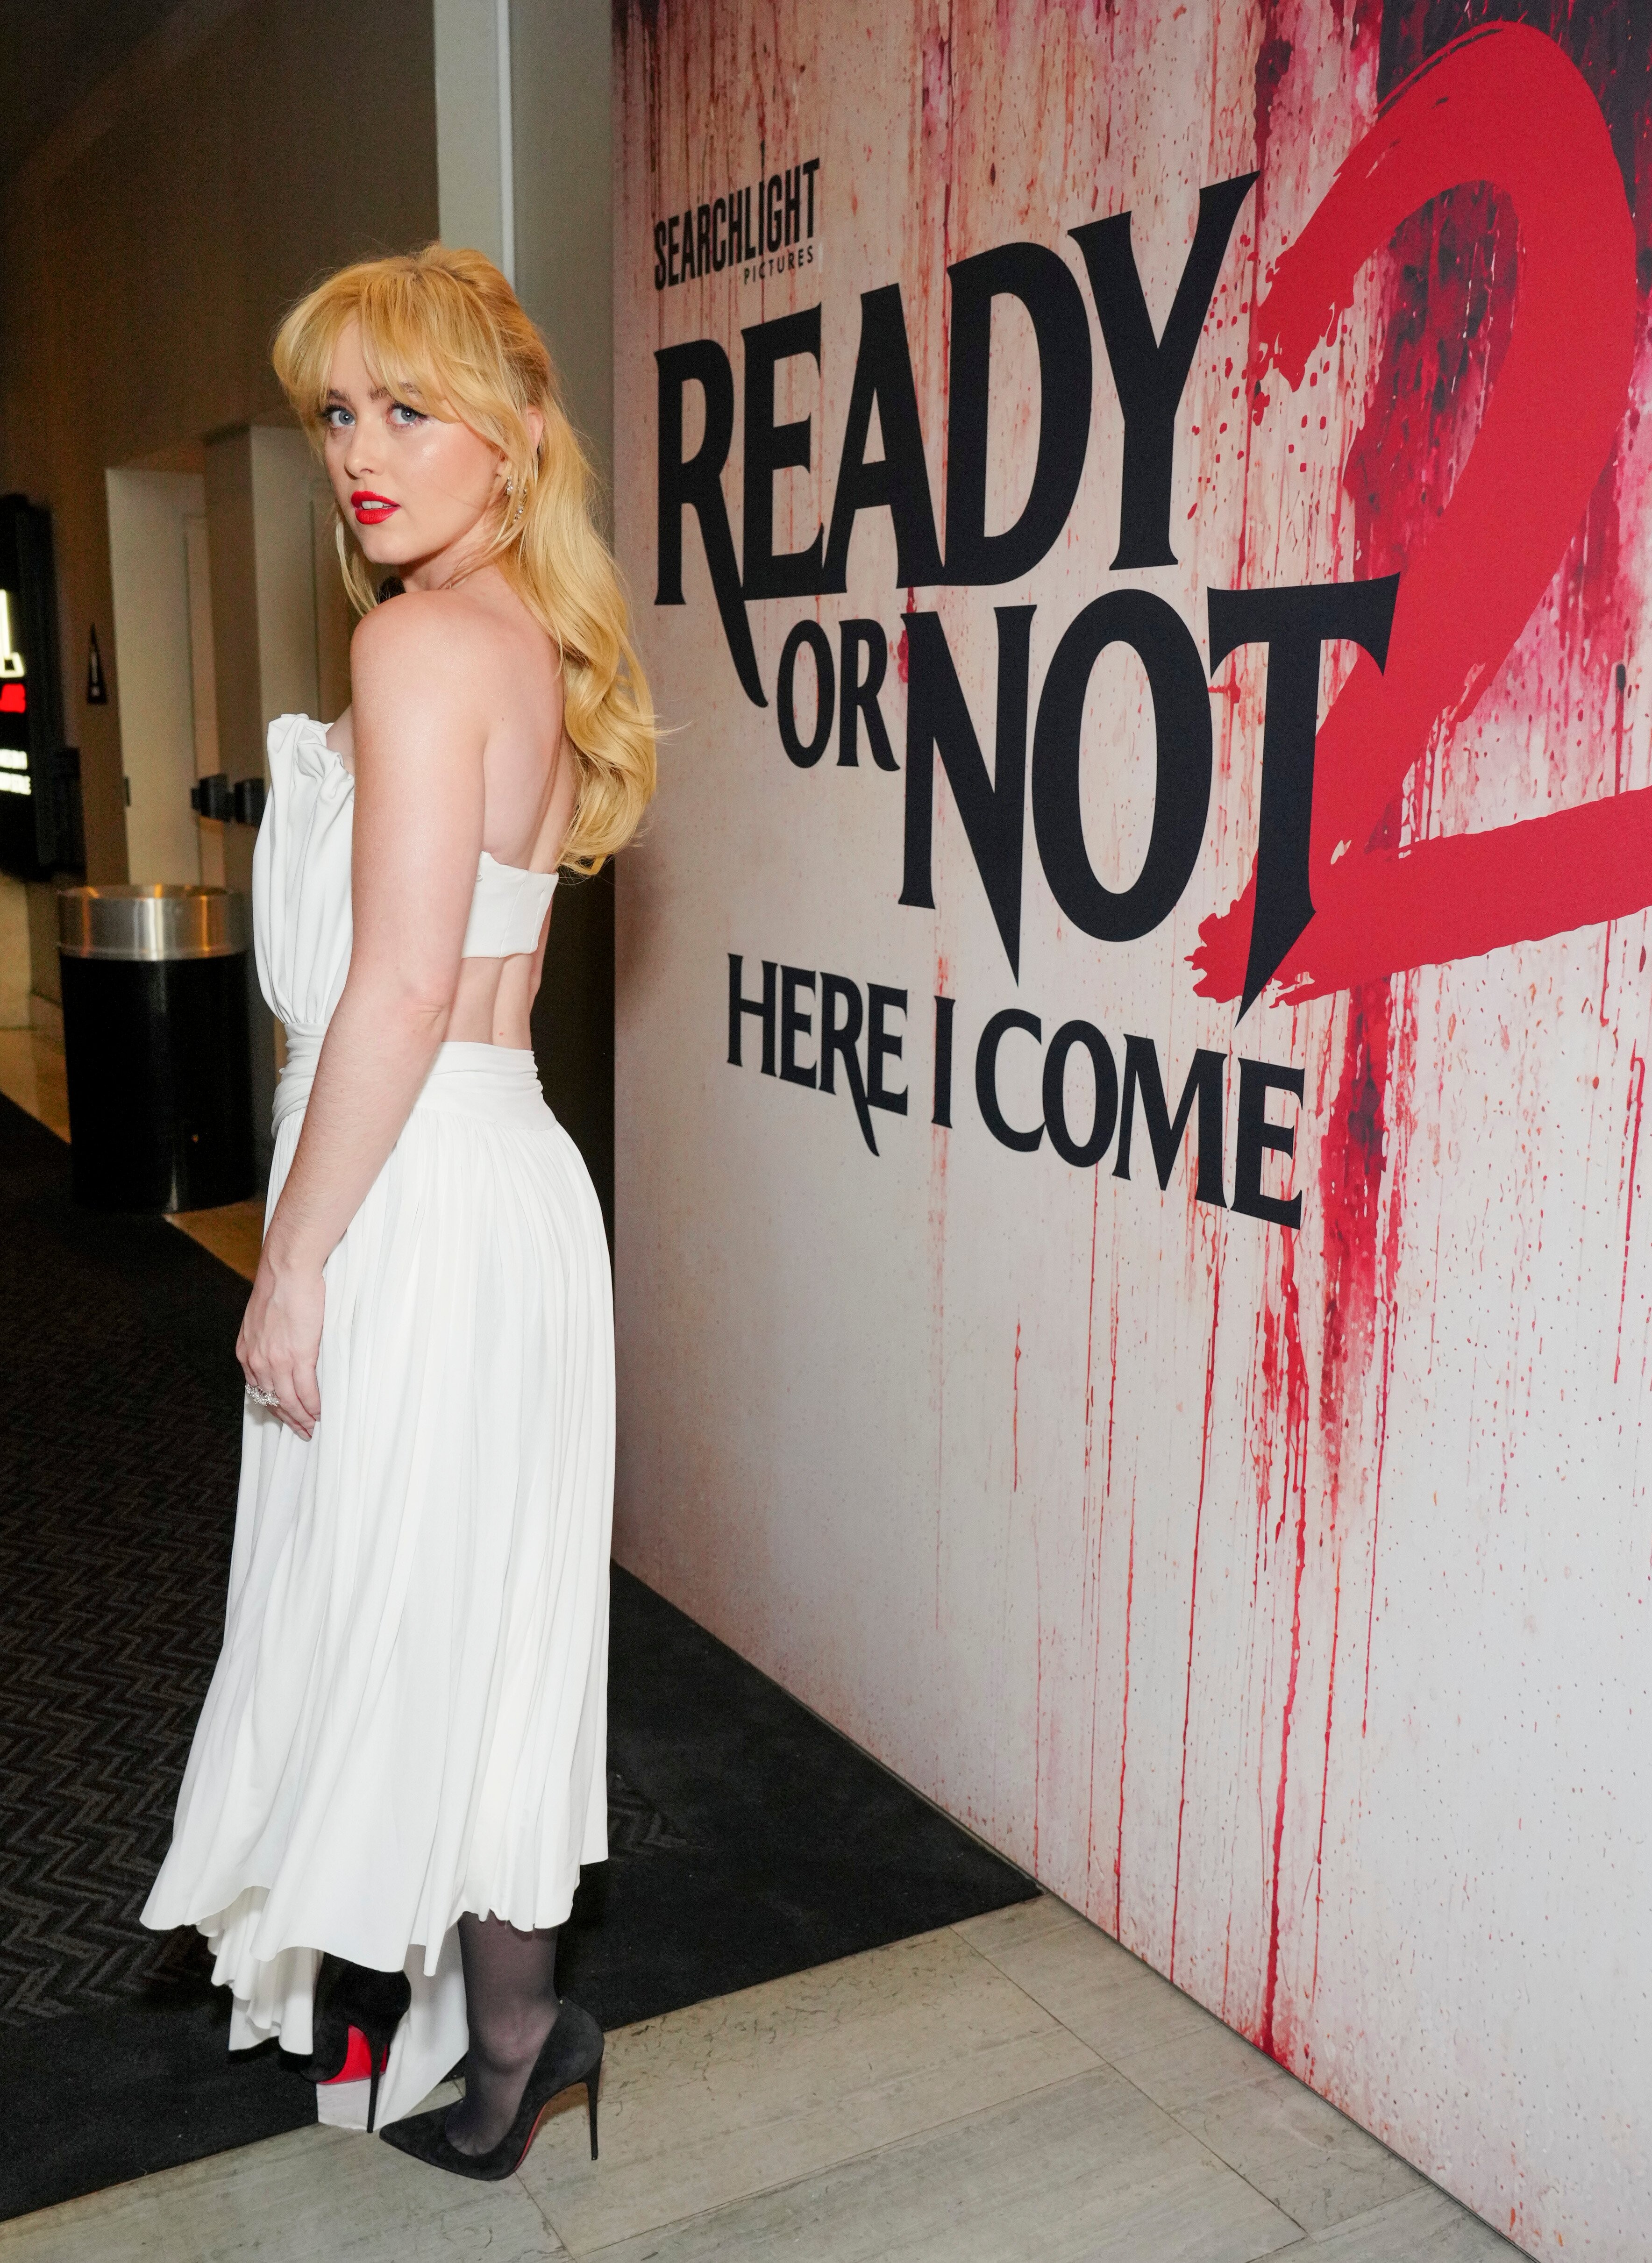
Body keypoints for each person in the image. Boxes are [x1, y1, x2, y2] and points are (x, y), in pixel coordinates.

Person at [142, 244, 654, 2181]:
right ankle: (512, 2037)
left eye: (406, 408)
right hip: (509, 1179)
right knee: (477, 1632)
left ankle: (480, 2033)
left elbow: (401, 986)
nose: (358, 451)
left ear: (510, 432)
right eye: (338, 413)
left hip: (413, 1187)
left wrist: (292, 1259)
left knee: (382, 1621)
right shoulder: (532, 640)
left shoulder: (420, 645)